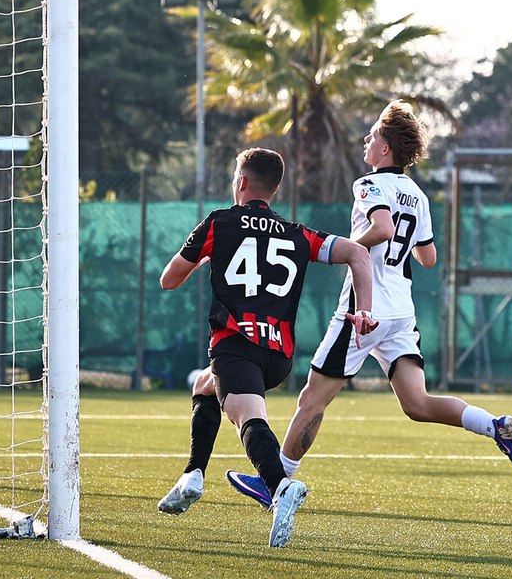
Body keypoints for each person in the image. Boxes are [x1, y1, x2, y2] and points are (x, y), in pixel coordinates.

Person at [225, 101, 512, 511]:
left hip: (363, 310)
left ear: (385, 149)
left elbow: (383, 227)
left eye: (372, 135)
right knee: (417, 404)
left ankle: (276, 482)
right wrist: (392, 246)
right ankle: (493, 427)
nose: (366, 140)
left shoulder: (368, 184)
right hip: (401, 310)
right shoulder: (418, 195)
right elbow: (428, 258)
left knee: (313, 398)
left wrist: (353, 247)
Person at [155, 148, 378, 548]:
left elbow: (168, 280)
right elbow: (357, 253)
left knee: (247, 420)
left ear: (241, 182)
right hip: (278, 356)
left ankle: (280, 487)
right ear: (274, 189)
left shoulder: (219, 223)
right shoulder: (298, 233)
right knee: (205, 386)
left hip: (236, 344)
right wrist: (364, 311)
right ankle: (193, 475)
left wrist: (209, 255)